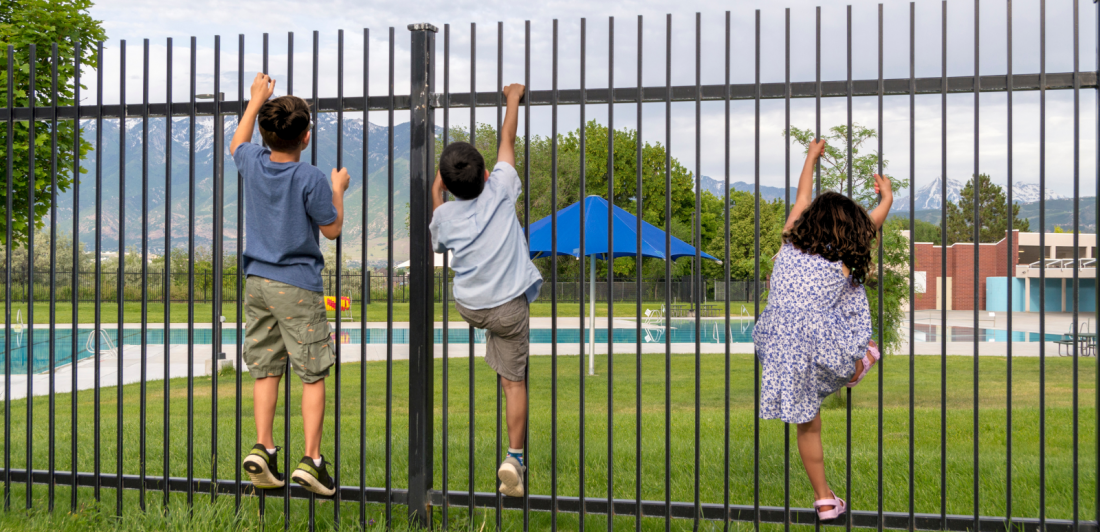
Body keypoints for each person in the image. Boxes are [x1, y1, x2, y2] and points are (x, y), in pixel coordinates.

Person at [752, 138, 891, 520]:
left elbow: (800, 197)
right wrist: (886, 200)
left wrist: (811, 158)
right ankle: (862, 361)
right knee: (852, 302)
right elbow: (872, 224)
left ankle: (825, 501)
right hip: (816, 341)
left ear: (808, 220)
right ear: (851, 229)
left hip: (776, 341)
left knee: (808, 426)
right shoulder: (842, 256)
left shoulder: (789, 243)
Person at [229, 72, 350, 497]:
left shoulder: (253, 162)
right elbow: (331, 229)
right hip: (297, 285)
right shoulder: (311, 177)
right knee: (312, 373)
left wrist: (255, 98)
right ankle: (312, 461)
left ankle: (263, 448)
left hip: (257, 282)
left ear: (265, 134)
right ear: (306, 137)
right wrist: (338, 190)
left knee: (265, 369)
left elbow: (236, 144)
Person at [430, 83, 542, 498]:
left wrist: (435, 193)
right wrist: (512, 99)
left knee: (502, 361)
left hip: (472, 306)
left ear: (446, 180)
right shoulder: (500, 188)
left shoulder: (444, 216)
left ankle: (499, 361)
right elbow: (507, 141)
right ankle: (515, 457)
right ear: (485, 173)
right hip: (509, 305)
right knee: (515, 382)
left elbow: (437, 242)